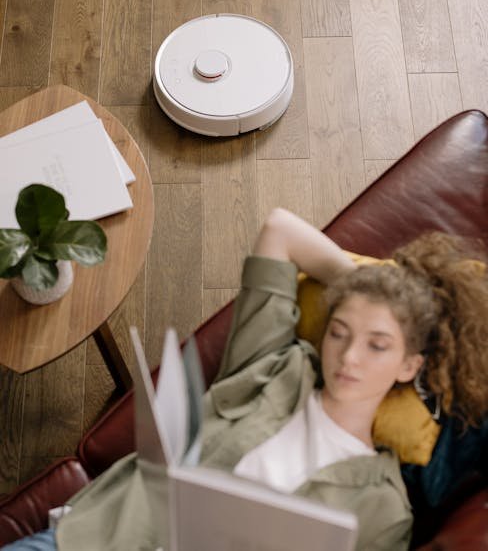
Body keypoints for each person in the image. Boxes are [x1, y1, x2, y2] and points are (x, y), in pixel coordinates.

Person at [5, 208, 488, 551]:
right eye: (339, 332)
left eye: (377, 344)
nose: (350, 355)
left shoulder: (384, 507)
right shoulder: (278, 363)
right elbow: (280, 230)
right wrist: (381, 291)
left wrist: (402, 316)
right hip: (90, 540)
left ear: (410, 366)